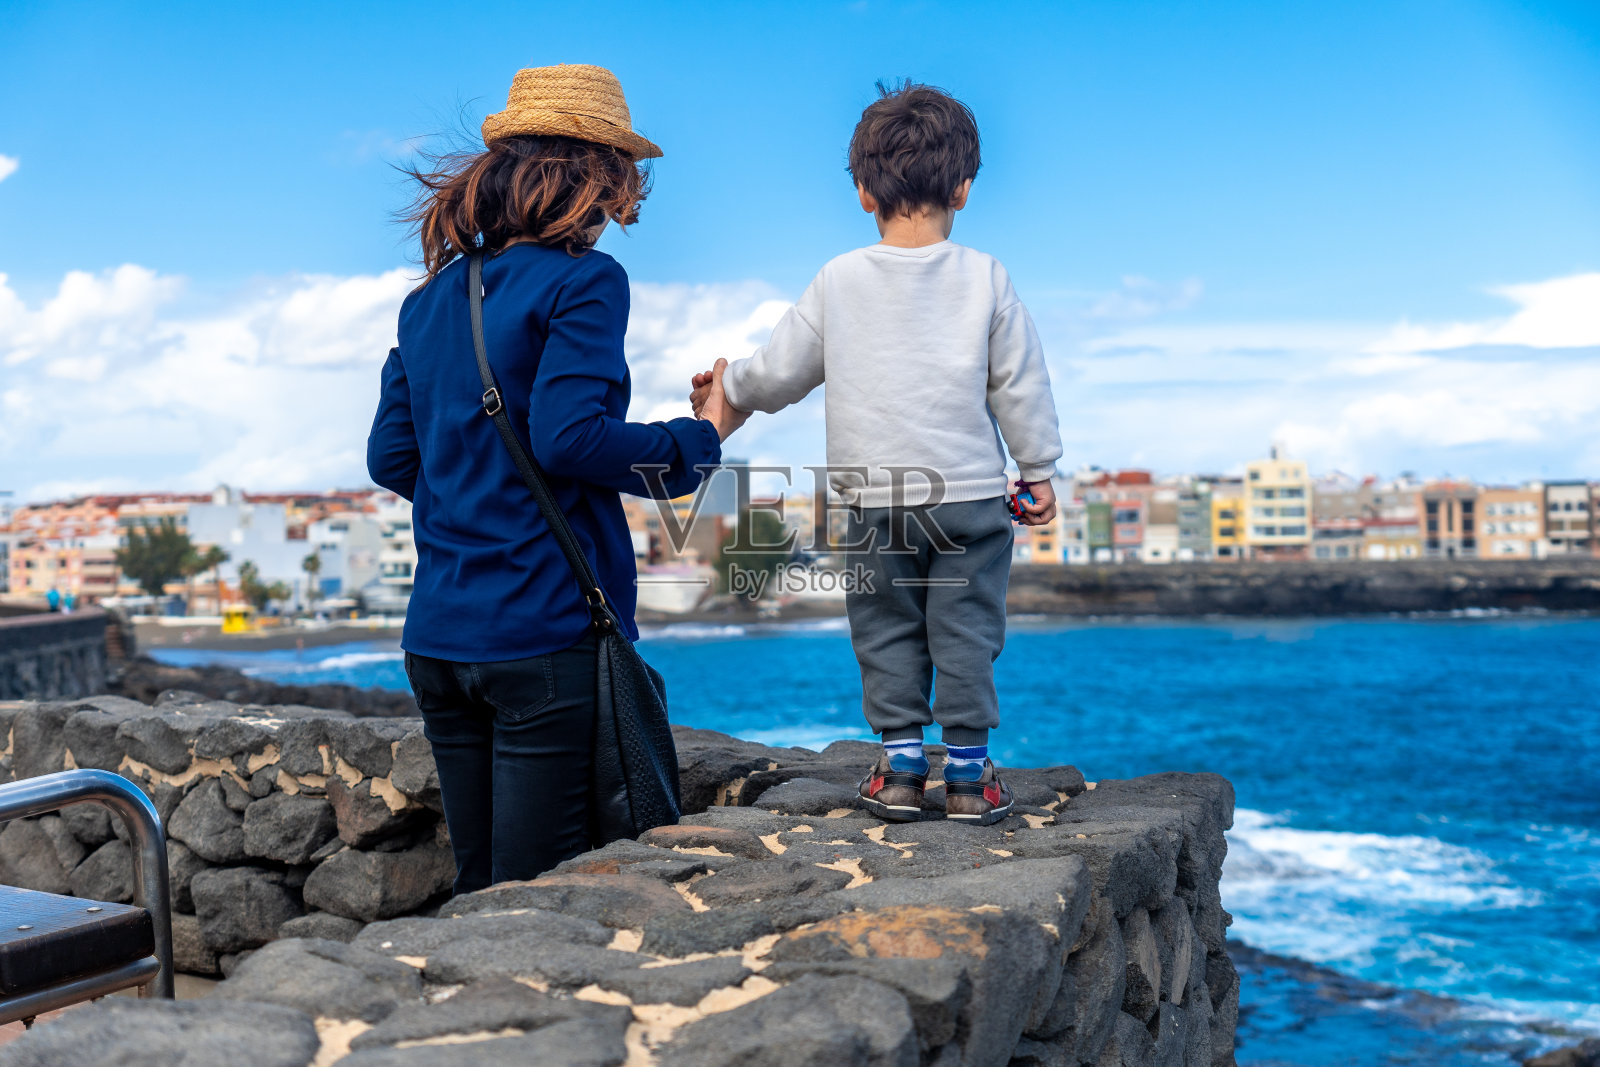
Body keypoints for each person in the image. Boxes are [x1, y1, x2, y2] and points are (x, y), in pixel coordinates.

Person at [367, 64, 746, 895]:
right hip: (541, 634)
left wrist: (475, 504)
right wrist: (703, 434)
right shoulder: (585, 280)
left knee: (481, 885)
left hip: (437, 638)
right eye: (622, 183)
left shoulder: (431, 298)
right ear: (597, 176)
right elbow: (570, 437)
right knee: (546, 894)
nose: (623, 205)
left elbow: (391, 457)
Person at [692, 82, 1062, 825]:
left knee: (884, 622)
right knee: (965, 627)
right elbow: (1018, 382)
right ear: (963, 185)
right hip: (966, 496)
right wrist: (1039, 469)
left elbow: (782, 370)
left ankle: (897, 767)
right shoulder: (986, 275)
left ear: (864, 191)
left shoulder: (839, 279)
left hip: (867, 499)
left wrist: (728, 390)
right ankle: (966, 776)